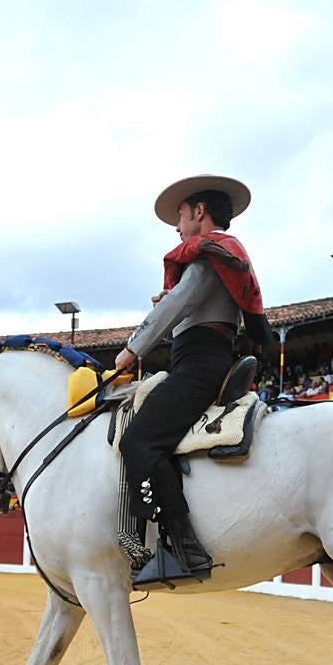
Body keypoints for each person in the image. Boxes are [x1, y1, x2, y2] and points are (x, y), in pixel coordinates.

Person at [115, 175, 273, 587]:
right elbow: (184, 309)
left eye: (182, 215)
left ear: (199, 212)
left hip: (200, 365)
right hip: (204, 357)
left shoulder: (206, 258)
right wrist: (172, 304)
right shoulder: (215, 260)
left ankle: (184, 551)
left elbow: (179, 306)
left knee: (138, 441)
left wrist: (132, 349)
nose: (178, 226)